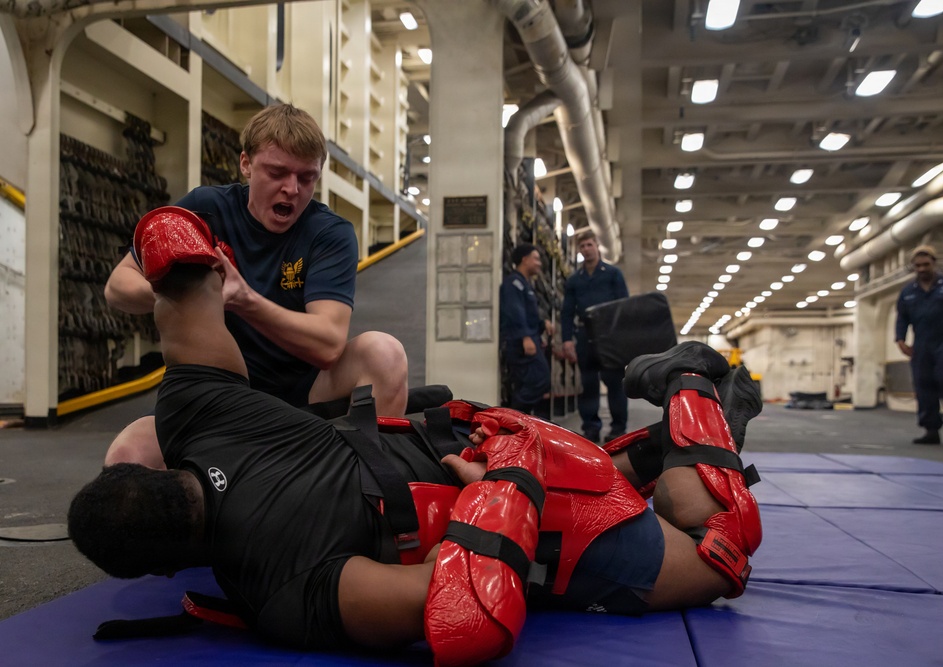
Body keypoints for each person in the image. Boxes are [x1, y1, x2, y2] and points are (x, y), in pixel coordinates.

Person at [69, 210, 762, 666]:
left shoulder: (281, 595)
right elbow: (173, 245)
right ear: (157, 471)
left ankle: (692, 384)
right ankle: (671, 424)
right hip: (483, 430)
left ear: (163, 571)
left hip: (522, 495)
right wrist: (229, 260)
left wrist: (503, 488)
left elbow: (468, 609)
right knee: (668, 505)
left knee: (724, 555)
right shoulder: (195, 415)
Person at [104, 104, 408, 469]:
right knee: (126, 457)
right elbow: (118, 286)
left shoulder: (330, 233)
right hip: (214, 394)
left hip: (301, 397)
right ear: (246, 164)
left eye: (306, 178)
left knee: (385, 354)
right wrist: (189, 290)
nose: (292, 189)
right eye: (277, 172)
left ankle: (377, 497)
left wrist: (244, 299)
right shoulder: (206, 209)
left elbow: (328, 345)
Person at [895, 244, 943, 445]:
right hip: (922, 343)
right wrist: (900, 339)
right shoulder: (907, 292)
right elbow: (902, 318)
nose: (922, 269)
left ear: (934, 263)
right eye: (918, 265)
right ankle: (931, 429)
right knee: (923, 385)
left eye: (925, 264)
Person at [561, 228, 629, 443]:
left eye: (589, 244)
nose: (586, 249)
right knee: (588, 384)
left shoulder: (612, 274)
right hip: (585, 335)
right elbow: (567, 311)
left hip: (609, 335)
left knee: (614, 382)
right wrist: (567, 340)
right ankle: (591, 428)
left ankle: (618, 428)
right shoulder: (574, 280)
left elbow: (623, 306)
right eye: (582, 246)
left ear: (597, 246)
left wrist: (621, 337)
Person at [499, 244, 552, 418]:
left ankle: (520, 421)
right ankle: (513, 420)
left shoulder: (525, 284)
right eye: (535, 259)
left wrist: (543, 323)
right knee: (538, 380)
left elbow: (527, 314)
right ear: (524, 259)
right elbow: (514, 312)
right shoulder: (514, 283)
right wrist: (525, 337)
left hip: (529, 338)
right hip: (520, 342)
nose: (539, 263)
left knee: (531, 382)